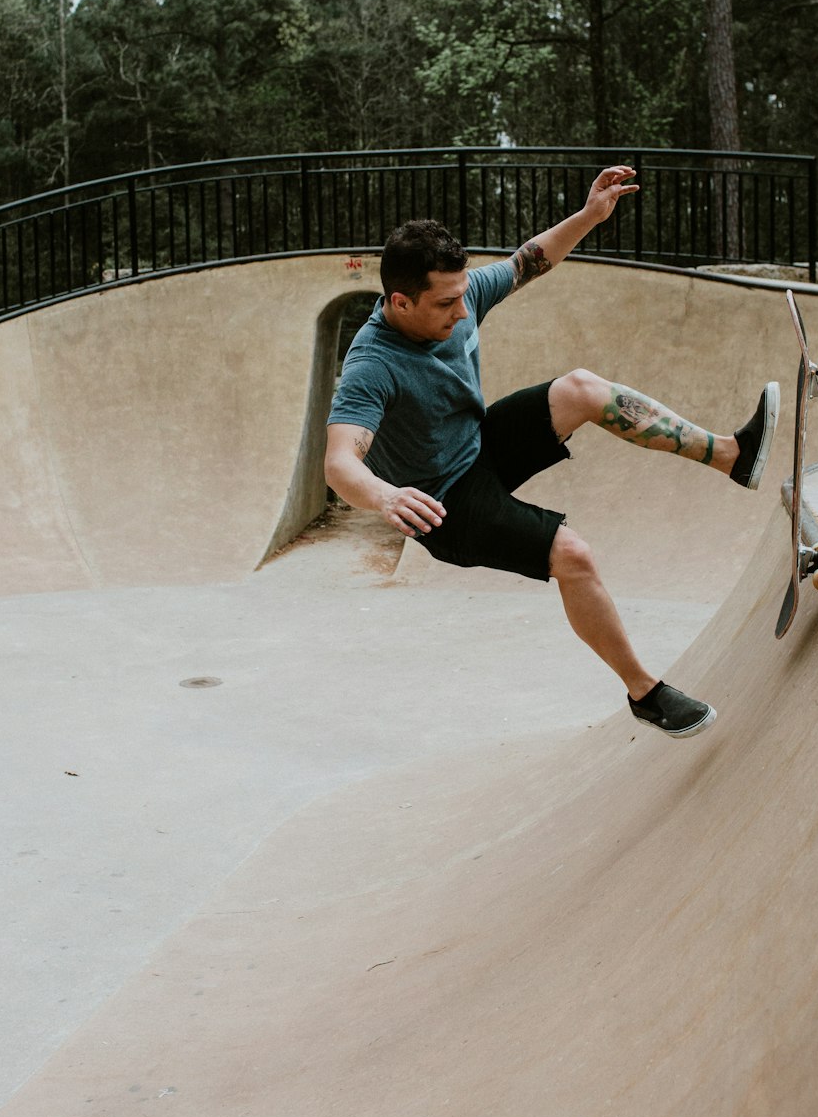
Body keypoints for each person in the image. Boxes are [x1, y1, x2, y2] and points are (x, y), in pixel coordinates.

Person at [324, 166, 779, 738]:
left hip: (479, 444)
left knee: (582, 388)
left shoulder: (459, 295)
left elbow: (528, 259)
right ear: (400, 301)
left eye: (464, 297)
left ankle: (733, 456)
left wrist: (590, 214)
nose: (463, 313)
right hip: (446, 508)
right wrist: (385, 495)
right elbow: (340, 461)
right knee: (574, 555)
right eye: (445, 305)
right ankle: (647, 693)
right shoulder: (371, 365)